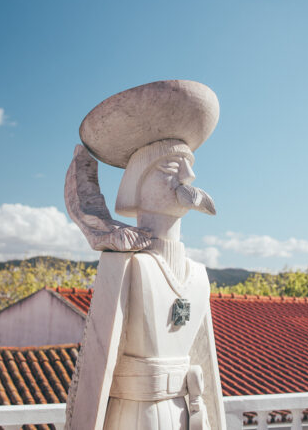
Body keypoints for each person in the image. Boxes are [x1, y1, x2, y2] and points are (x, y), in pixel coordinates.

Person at [64, 81, 227, 430]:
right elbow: (97, 363)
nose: (189, 177)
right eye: (171, 168)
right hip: (132, 418)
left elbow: (206, 363)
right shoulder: (126, 264)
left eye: (189, 165)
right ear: (136, 183)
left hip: (186, 414)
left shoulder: (198, 275)